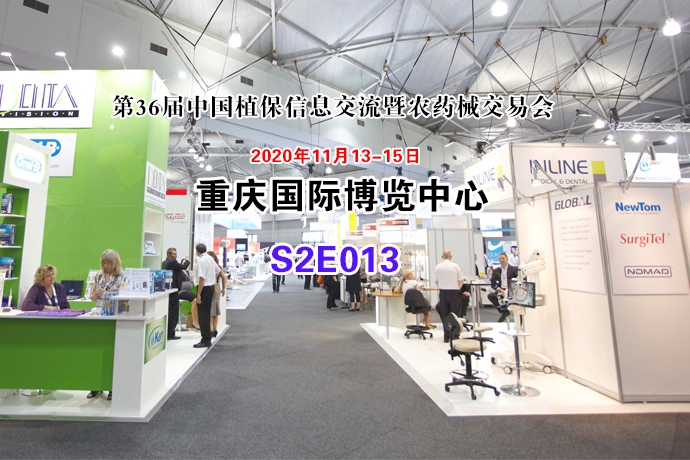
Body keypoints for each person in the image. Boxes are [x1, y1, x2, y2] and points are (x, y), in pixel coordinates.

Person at [87, 249, 124, 401]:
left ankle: (112, 387)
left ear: (115, 262)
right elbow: (91, 297)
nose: (106, 266)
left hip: (113, 314)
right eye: (104, 263)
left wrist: (107, 294)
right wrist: (95, 295)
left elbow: (123, 297)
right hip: (98, 314)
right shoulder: (99, 275)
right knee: (95, 351)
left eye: (108, 263)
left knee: (111, 352)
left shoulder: (121, 276)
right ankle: (95, 386)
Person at [435, 250, 465, 343]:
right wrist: (458, 289)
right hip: (454, 292)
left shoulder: (438, 267)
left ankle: (446, 336)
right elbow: (461, 280)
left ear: (442, 256)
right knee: (455, 314)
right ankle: (455, 335)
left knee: (445, 314)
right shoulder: (456, 266)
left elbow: (436, 281)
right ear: (451, 256)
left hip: (443, 292)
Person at [162, 248, 192, 340]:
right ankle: (170, 334)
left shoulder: (165, 263)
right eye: (174, 254)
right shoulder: (172, 262)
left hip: (169, 290)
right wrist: (187, 260)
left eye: (176, 254)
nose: (176, 255)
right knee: (173, 313)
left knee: (170, 312)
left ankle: (169, 333)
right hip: (173, 290)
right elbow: (184, 266)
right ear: (169, 254)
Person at [194, 243, 220, 348]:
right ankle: (207, 337)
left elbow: (202, 278)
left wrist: (199, 294)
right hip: (209, 288)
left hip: (204, 289)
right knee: (206, 313)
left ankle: (205, 340)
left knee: (203, 315)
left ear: (197, 251)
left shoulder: (201, 261)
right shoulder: (209, 258)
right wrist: (212, 282)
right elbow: (217, 270)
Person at [488, 252, 519, 322]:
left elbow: (518, 281)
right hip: (500, 290)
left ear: (507, 259)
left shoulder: (514, 269)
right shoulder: (496, 271)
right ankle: (504, 312)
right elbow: (493, 283)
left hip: (511, 290)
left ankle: (519, 321)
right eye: (500, 259)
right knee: (490, 296)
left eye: (503, 258)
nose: (501, 260)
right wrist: (499, 289)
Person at [207, 251, 227, 338]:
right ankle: (214, 329)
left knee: (211, 311)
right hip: (217, 288)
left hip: (212, 288)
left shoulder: (211, 267)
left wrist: (215, 288)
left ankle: (211, 330)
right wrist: (223, 288)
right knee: (215, 310)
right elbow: (224, 277)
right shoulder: (218, 267)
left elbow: (214, 278)